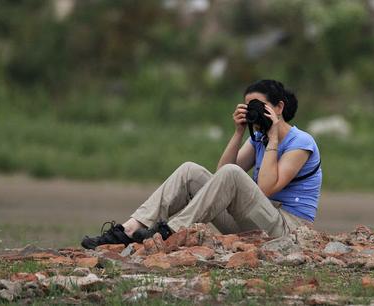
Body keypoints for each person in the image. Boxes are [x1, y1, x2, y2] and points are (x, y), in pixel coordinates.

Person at [81, 79, 322, 250]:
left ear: (278, 108)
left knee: (232, 173)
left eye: (259, 106)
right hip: (255, 221)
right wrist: (239, 132)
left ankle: (169, 231)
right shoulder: (258, 138)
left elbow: (267, 188)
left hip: (287, 230)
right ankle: (129, 229)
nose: (253, 112)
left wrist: (274, 138)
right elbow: (221, 179)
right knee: (191, 171)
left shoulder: (301, 142)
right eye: (249, 107)